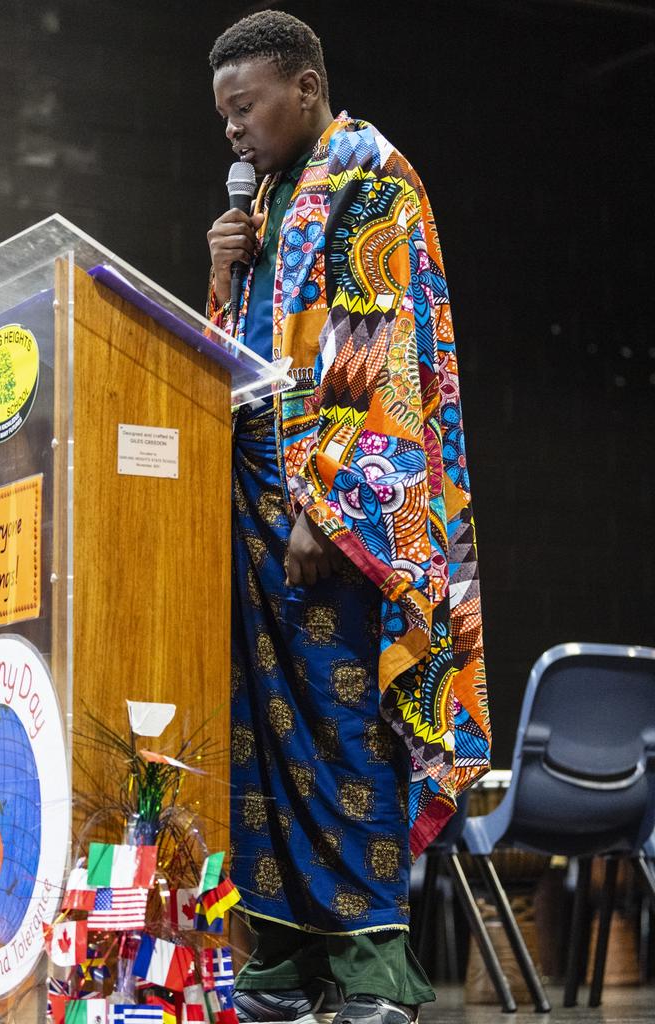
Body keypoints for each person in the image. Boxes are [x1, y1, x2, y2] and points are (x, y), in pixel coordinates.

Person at [206, 12, 491, 1024]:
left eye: (245, 108)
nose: (233, 132)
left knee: (342, 732)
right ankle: (282, 953)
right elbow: (239, 363)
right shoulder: (271, 202)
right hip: (250, 506)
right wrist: (224, 269)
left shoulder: (371, 178)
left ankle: (372, 966)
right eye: (223, 117)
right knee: (261, 744)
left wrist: (325, 507)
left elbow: (373, 350)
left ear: (307, 87)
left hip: (340, 514)